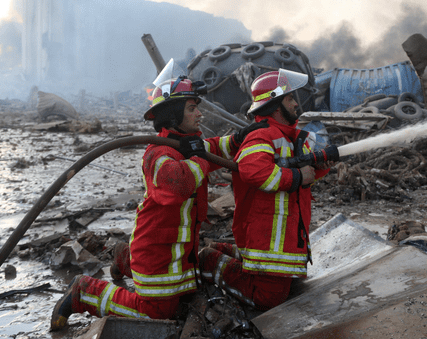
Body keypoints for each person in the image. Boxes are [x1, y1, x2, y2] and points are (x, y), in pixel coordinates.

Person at [50, 70, 266, 330]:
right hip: (157, 252)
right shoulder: (158, 154)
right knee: (157, 314)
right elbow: (179, 184)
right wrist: (200, 157)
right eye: (191, 109)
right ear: (173, 115)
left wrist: (241, 138)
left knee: (180, 301)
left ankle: (124, 260)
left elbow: (215, 147)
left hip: (176, 252)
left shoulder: (188, 143)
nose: (199, 114)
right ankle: (85, 292)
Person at [199, 69, 333, 311]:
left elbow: (297, 181)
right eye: (290, 98)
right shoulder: (262, 136)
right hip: (268, 240)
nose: (295, 104)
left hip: (281, 240)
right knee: (268, 297)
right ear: (274, 105)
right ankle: (209, 262)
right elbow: (254, 171)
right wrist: (298, 176)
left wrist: (318, 168)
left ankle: (223, 250)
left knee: (285, 288)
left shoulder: (288, 137)